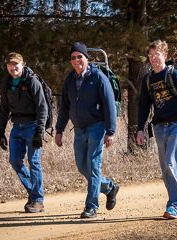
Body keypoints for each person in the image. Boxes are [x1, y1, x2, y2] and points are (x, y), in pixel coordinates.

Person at [136, 40, 177, 219]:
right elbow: (143, 106)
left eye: (156, 54)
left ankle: (174, 205)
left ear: (164, 55)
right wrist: (140, 129)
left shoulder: (175, 75)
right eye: (150, 55)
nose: (153, 58)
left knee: (172, 163)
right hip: (159, 127)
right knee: (167, 168)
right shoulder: (148, 79)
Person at [55, 42, 120, 218]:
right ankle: (109, 187)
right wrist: (59, 130)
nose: (76, 60)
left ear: (86, 58)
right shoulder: (69, 79)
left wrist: (111, 131)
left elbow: (109, 105)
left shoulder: (98, 77)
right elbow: (64, 108)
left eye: (80, 57)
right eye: (73, 57)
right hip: (78, 129)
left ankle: (91, 206)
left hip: (97, 127)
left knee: (93, 164)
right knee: (82, 166)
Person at [0, 52, 48, 213]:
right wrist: (0, 131)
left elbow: (42, 107)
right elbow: (4, 109)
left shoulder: (32, 81)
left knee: (34, 162)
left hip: (33, 125)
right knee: (14, 160)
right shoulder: (7, 83)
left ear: (23, 64)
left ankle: (38, 200)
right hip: (16, 126)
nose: (13, 68)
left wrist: (40, 131)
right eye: (10, 65)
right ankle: (33, 193)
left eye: (16, 64)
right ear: (7, 66)